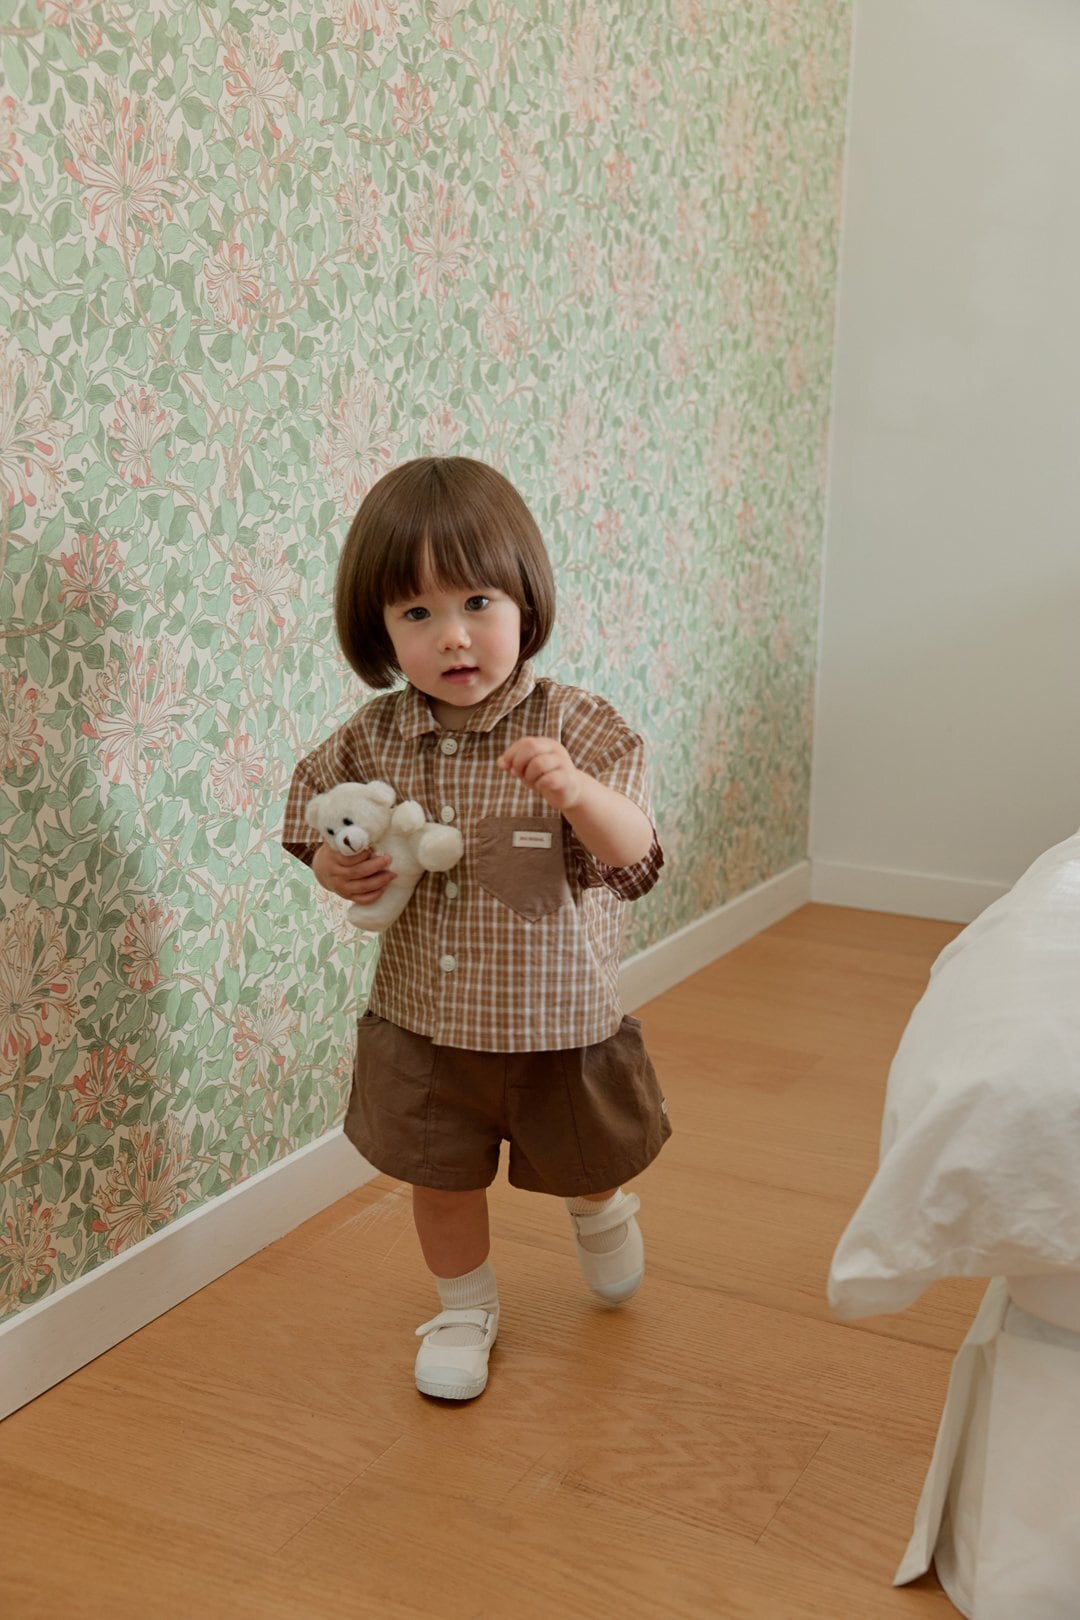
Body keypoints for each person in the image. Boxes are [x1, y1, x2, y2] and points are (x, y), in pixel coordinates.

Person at [281, 456, 671, 1401]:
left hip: (556, 1021)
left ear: (524, 602)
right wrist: (332, 863)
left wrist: (576, 793)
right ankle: (462, 1311)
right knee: (440, 1177)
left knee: (584, 1153)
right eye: (417, 612)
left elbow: (637, 855)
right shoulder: (375, 735)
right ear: (380, 628)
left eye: (477, 602)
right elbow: (311, 812)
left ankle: (599, 1206)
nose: (452, 635)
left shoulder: (578, 724)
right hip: (426, 1020)